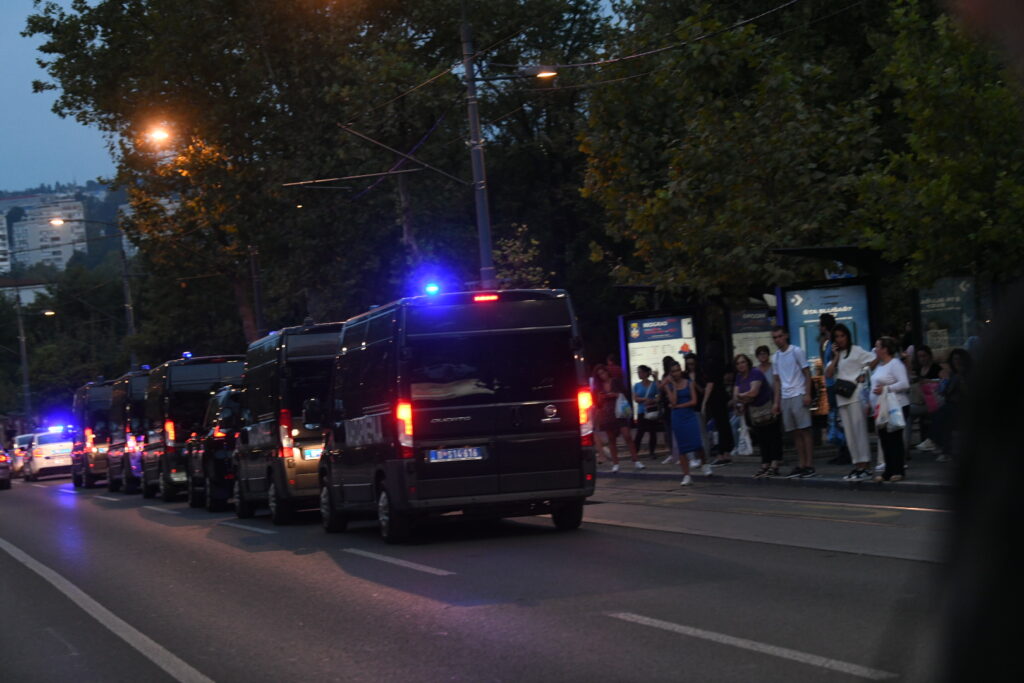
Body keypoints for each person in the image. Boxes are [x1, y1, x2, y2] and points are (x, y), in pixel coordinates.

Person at [825, 324, 877, 480]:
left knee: (859, 431)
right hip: (842, 397)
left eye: (842, 336)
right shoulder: (837, 355)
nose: (840, 339)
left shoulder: (856, 350)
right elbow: (828, 373)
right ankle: (857, 465)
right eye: (837, 337)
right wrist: (835, 356)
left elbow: (873, 359)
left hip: (855, 395)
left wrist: (863, 374)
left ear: (847, 336)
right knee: (850, 434)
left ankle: (865, 465)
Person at [770, 326, 816, 478]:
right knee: (795, 432)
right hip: (786, 396)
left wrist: (807, 393)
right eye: (775, 337)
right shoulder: (775, 357)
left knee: (805, 430)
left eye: (780, 336)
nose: (778, 340)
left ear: (786, 336)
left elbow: (806, 372)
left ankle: (809, 464)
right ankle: (801, 463)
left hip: (798, 392)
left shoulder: (796, 351)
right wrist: (776, 402)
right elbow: (777, 380)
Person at [733, 353, 782, 477]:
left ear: (748, 363)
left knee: (772, 435)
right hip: (754, 411)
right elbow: (735, 395)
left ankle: (775, 464)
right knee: (761, 438)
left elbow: (754, 392)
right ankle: (765, 463)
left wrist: (742, 397)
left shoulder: (756, 373)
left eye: (743, 362)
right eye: (738, 363)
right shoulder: (739, 377)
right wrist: (743, 398)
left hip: (766, 406)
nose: (741, 365)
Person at [870, 336, 911, 482]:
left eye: (878, 346)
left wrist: (886, 389)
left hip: (896, 405)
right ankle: (889, 469)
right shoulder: (880, 366)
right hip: (882, 407)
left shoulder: (895, 364)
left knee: (895, 439)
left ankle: (898, 469)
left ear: (885, 349)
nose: (875, 349)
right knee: (885, 439)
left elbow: (904, 383)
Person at [591, 364, 645, 473]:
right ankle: (616, 463)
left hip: (619, 412)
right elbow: (598, 403)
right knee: (611, 439)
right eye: (600, 374)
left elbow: (624, 393)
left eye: (603, 372)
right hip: (607, 413)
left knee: (627, 435)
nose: (602, 375)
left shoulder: (615, 381)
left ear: (607, 371)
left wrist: (614, 395)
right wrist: (602, 398)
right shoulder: (599, 386)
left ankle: (635, 460)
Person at [664, 362, 708, 486]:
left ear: (681, 370)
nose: (676, 373)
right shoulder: (669, 386)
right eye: (673, 371)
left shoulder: (689, 383)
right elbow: (673, 402)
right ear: (670, 373)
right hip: (677, 417)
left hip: (689, 415)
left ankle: (705, 464)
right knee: (682, 447)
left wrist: (678, 406)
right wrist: (672, 385)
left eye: (677, 370)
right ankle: (687, 475)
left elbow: (694, 401)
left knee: (697, 443)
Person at [911, 345, 943, 453]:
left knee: (936, 412)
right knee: (908, 413)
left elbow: (941, 382)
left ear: (929, 356)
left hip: (932, 400)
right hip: (921, 400)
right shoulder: (919, 370)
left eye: (924, 356)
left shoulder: (936, 368)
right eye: (920, 357)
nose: (922, 359)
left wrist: (929, 381)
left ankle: (932, 440)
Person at [632, 365, 660, 459]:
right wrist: (645, 399)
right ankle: (635, 452)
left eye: (640, 372)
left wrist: (653, 400)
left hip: (651, 410)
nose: (639, 374)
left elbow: (659, 395)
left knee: (652, 432)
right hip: (641, 411)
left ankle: (652, 452)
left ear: (645, 373)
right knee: (640, 432)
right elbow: (635, 398)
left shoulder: (653, 384)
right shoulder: (637, 385)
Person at [659, 355, 681, 464]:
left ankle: (679, 454)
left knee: (675, 431)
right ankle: (673, 453)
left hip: (673, 405)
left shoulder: (673, 377)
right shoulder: (665, 376)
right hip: (666, 406)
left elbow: (662, 387)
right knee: (668, 432)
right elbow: (661, 388)